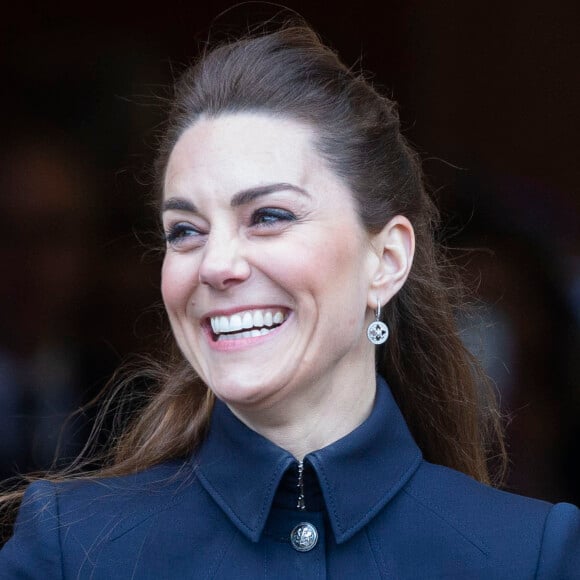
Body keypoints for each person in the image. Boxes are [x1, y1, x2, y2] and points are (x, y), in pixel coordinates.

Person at [1, 21, 578, 579]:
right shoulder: (69, 550)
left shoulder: (528, 555)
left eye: (268, 216)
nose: (217, 264)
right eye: (185, 230)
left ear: (387, 261)